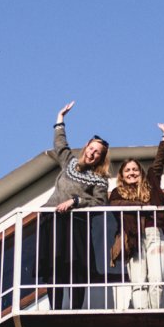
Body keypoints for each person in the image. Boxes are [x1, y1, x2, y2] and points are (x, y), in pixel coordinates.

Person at [38, 100, 109, 309]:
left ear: (100, 158)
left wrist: (75, 201)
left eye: (97, 152)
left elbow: (100, 203)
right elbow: (60, 145)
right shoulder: (69, 162)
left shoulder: (99, 179)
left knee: (76, 266)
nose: (92, 153)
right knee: (54, 264)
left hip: (76, 223)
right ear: (86, 146)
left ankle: (76, 309)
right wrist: (60, 119)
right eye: (91, 148)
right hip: (52, 219)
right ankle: (55, 308)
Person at [108, 123, 164, 309]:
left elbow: (158, 163)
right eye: (127, 170)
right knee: (138, 282)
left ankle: (154, 312)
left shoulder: (150, 184)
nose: (132, 173)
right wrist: (142, 206)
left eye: (135, 169)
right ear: (122, 175)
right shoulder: (117, 192)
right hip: (133, 238)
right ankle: (142, 313)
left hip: (154, 235)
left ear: (140, 172)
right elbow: (115, 205)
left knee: (157, 278)